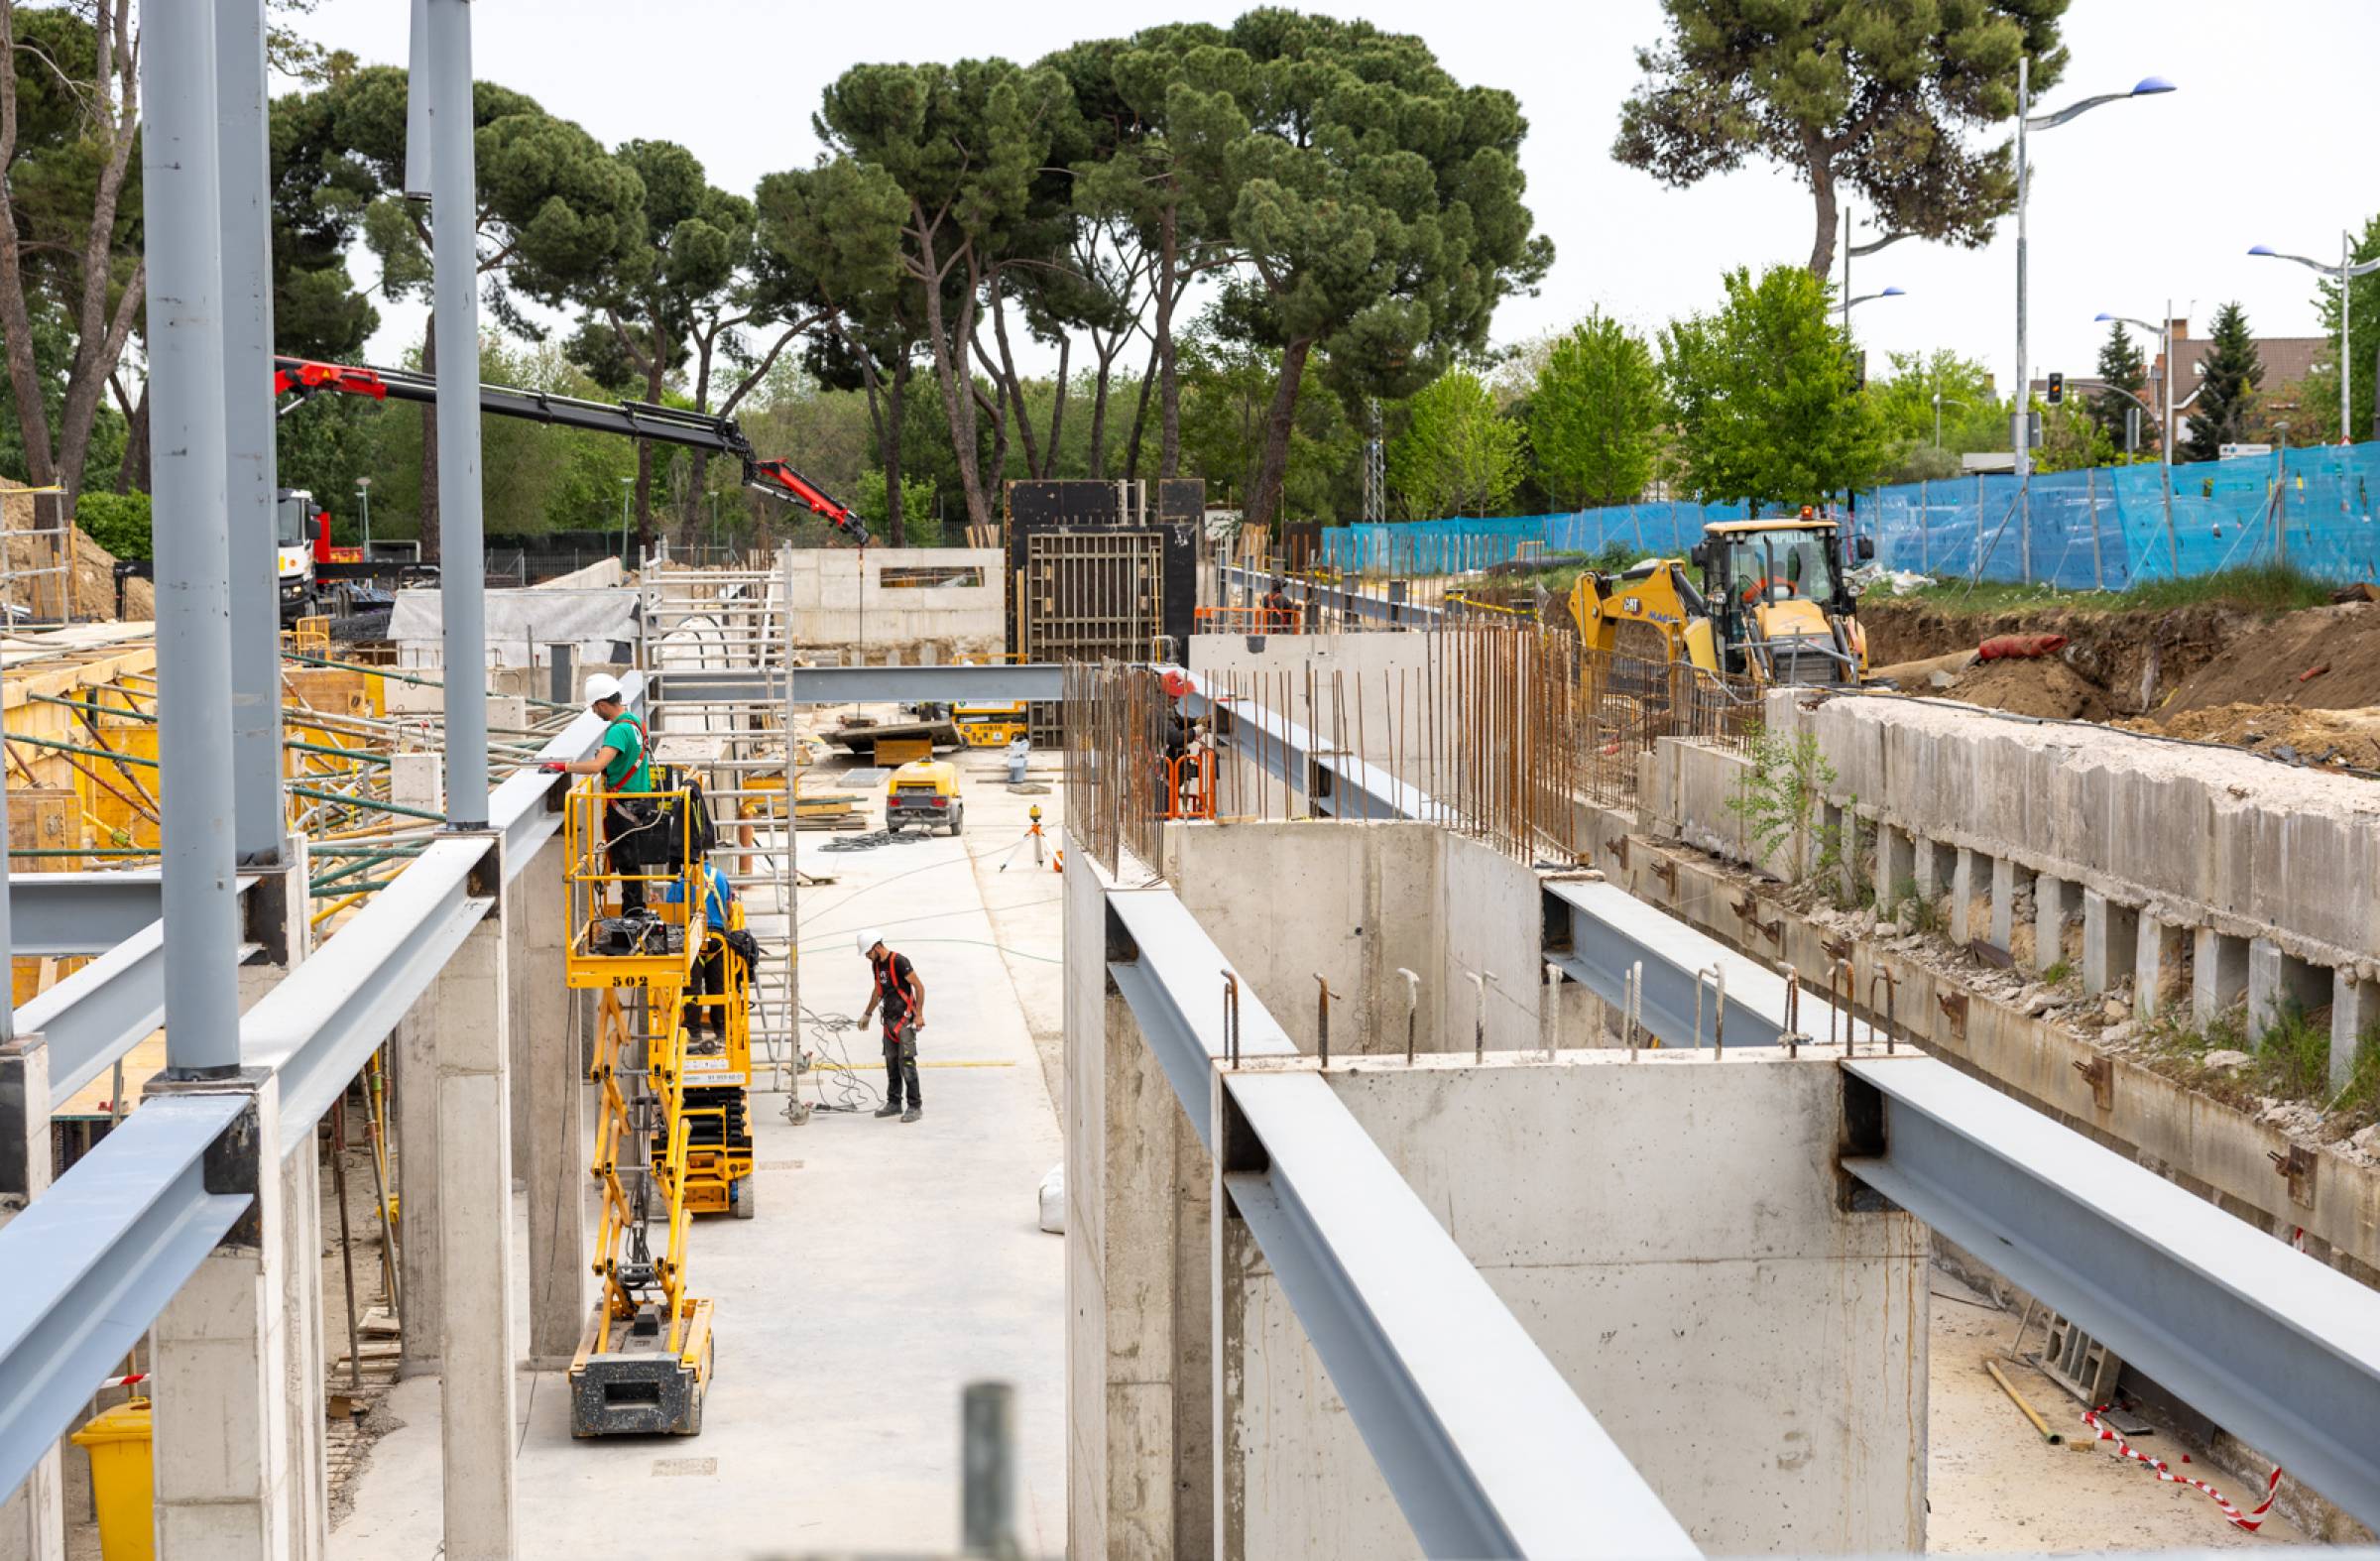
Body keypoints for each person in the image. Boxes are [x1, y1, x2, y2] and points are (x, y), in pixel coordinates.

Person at [551, 673, 656, 911]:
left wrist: (565, 767)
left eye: (594, 708)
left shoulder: (618, 731)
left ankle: (634, 916)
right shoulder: (637, 723)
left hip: (625, 805)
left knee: (628, 863)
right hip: (640, 802)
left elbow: (597, 767)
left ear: (602, 704)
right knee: (631, 862)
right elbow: (622, 760)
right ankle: (635, 912)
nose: (595, 713)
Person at [662, 859, 737, 1045]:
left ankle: (693, 1032)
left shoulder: (684, 879)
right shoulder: (720, 877)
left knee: (692, 986)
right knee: (717, 986)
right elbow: (729, 909)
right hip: (717, 939)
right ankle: (720, 1031)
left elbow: (672, 911)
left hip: (695, 938)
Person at [858, 928, 925, 1123]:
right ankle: (894, 1102)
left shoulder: (899, 962)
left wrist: (918, 1014)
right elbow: (878, 990)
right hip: (889, 1021)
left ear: (877, 947)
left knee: (907, 1064)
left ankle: (915, 1106)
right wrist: (867, 1013)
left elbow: (919, 987)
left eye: (868, 953)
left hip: (905, 1021)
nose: (867, 957)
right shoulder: (877, 966)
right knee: (891, 1063)